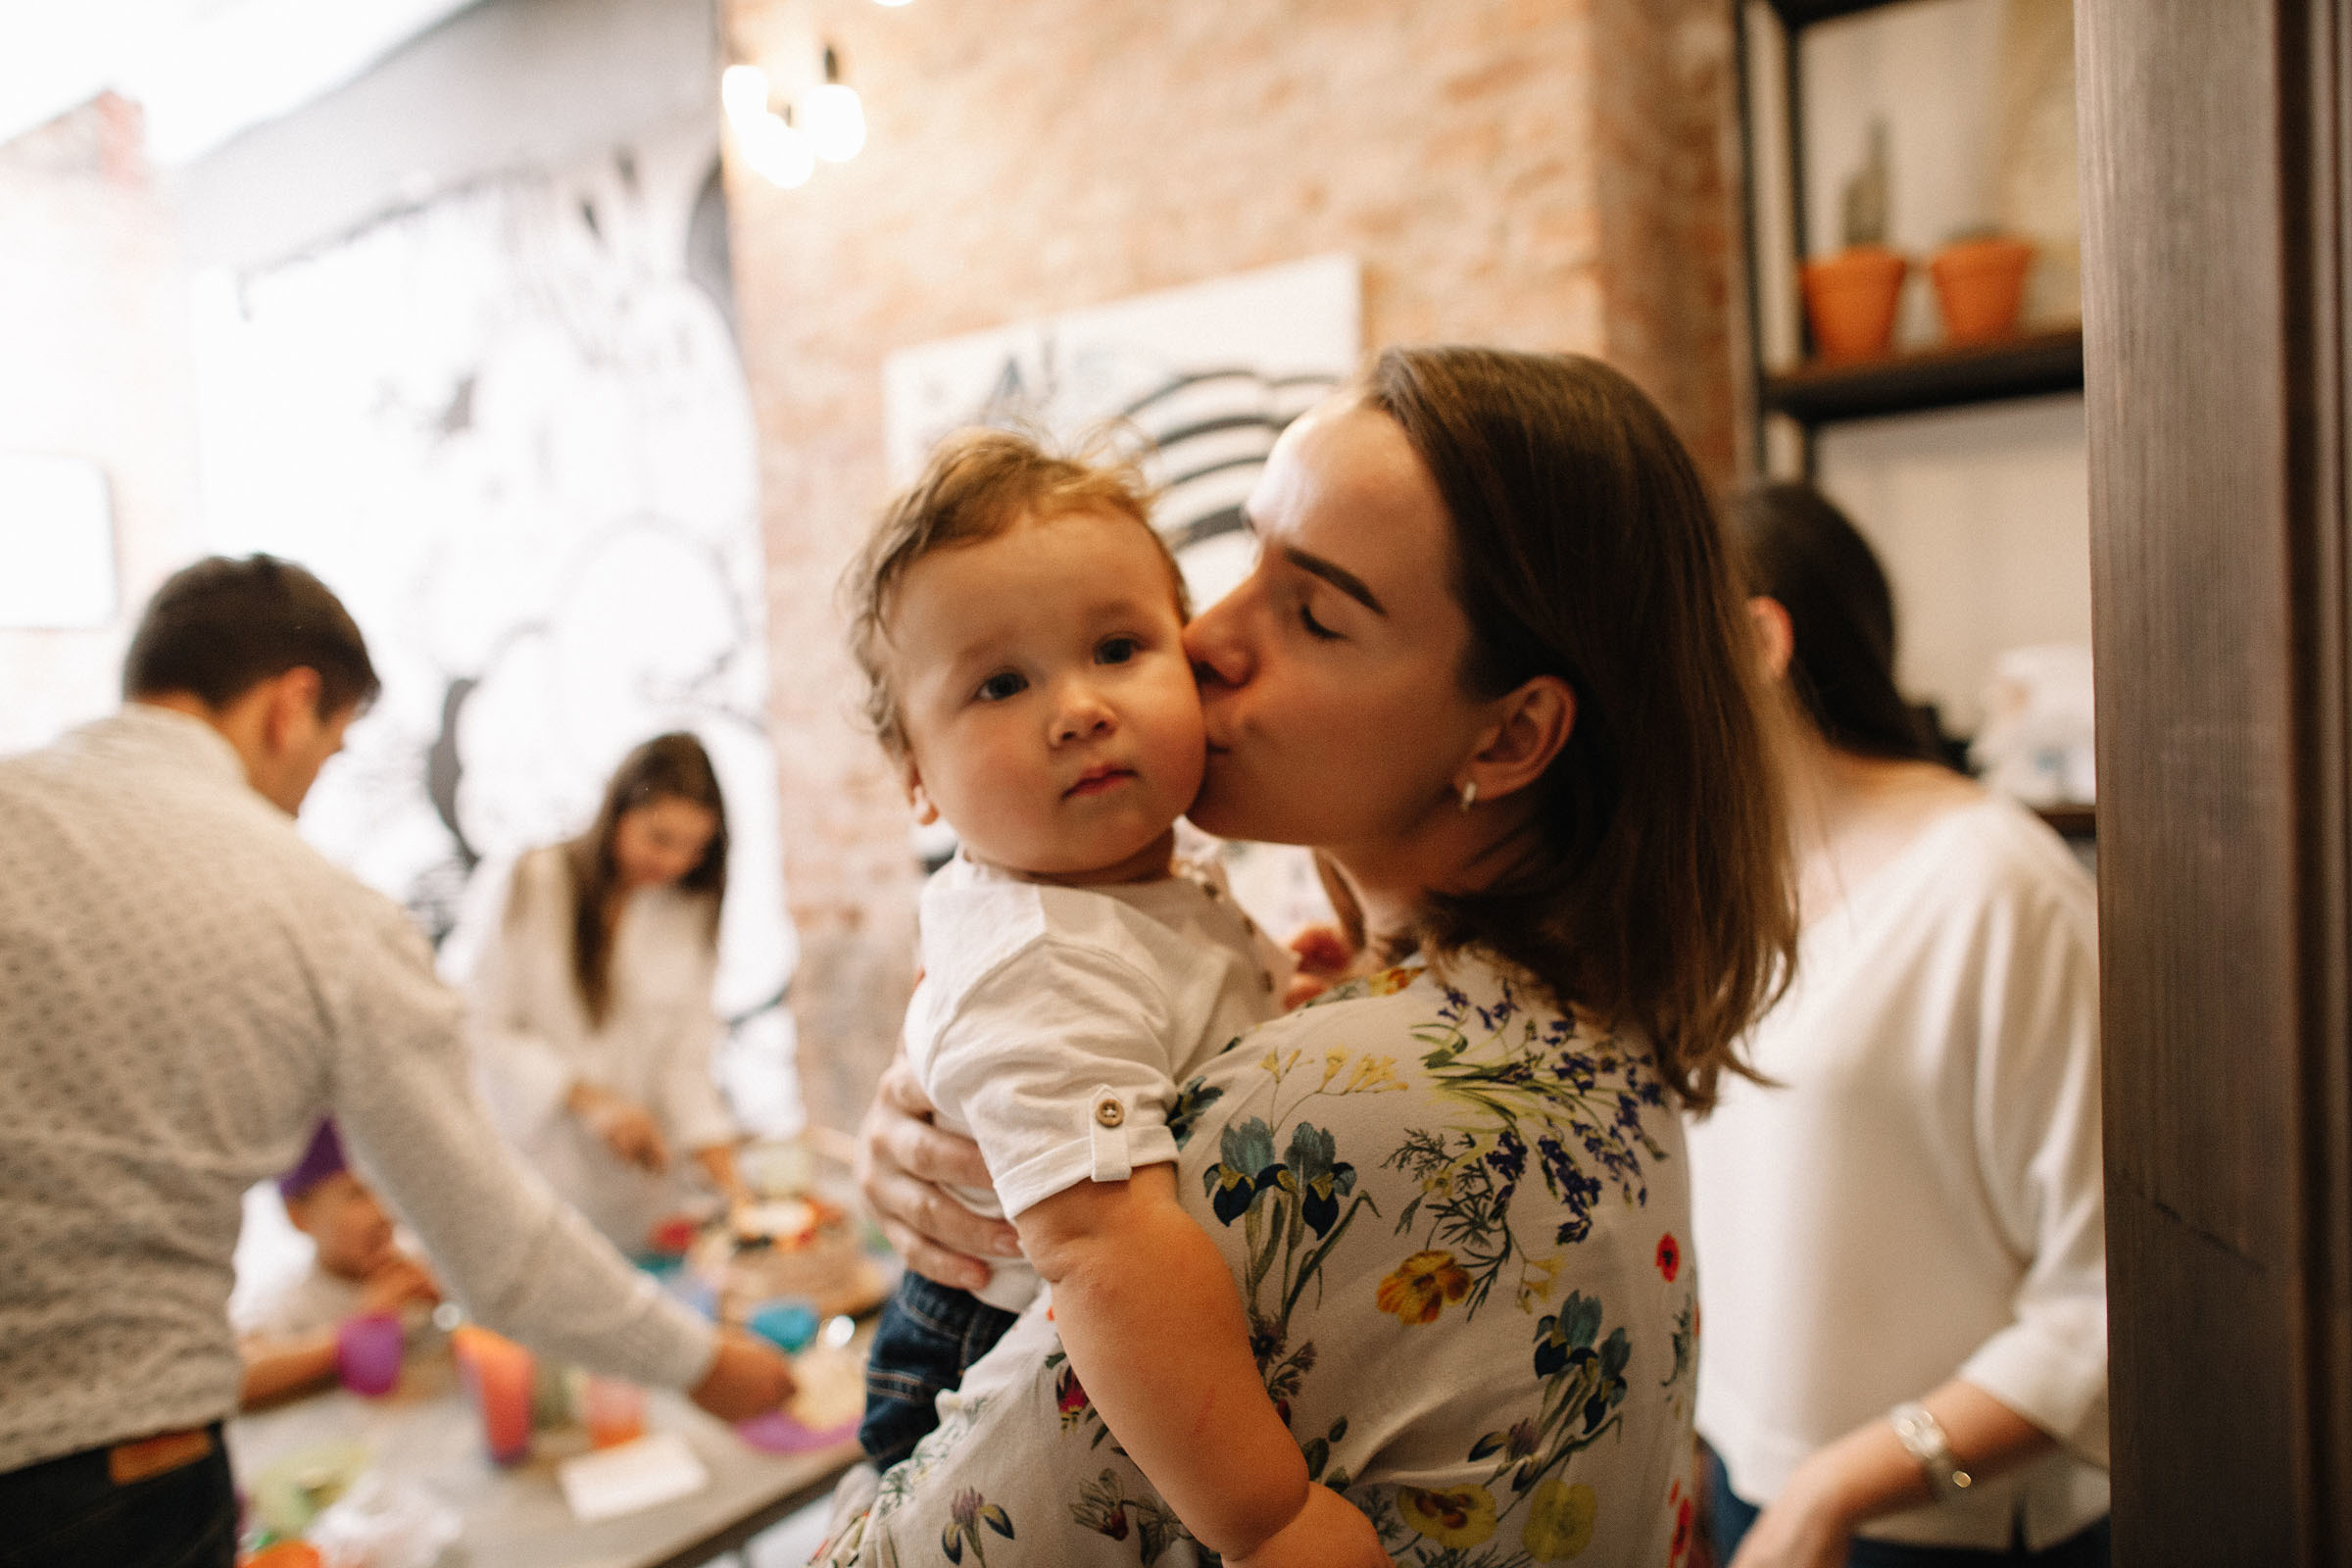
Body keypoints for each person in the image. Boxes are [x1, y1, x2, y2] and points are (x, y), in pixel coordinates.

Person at [829, 345, 1798, 1568]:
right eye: (1245, 564)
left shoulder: (1319, 1112)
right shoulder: (1590, 1019)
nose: (1206, 639)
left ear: (1509, 736)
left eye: (1316, 614)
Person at [0, 555, 793, 1568]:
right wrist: (701, 1363)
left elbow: (681, 1059)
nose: (304, 794)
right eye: (332, 752)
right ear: (292, 706)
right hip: (111, 1465)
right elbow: (498, 1250)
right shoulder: (322, 909)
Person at [839, 430, 1331, 1562]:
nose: (1078, 709)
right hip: (1015, 1361)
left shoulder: (1148, 887)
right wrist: (1274, 1522)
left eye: (1118, 648)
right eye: (1000, 684)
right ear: (916, 777)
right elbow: (1108, 1253)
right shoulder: (1038, 954)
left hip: (1145, 1362)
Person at [1690, 482, 2107, 1567]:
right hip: (1746, 1490)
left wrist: (1836, 1490)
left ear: (1759, 641)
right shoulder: (1719, 892)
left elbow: (2104, 1294)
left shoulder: (1996, 887)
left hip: (1945, 1524)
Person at [446, 732, 750, 1251]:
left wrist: (737, 1192)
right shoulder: (533, 881)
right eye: (659, 838)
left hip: (642, 1193)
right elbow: (477, 1023)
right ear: (618, 811)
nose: (674, 862)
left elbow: (686, 1062)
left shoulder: (688, 908)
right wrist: (591, 1102)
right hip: (541, 1174)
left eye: (693, 847)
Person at [233, 1121, 441, 1407]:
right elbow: (237, 1374)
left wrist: (451, 1294)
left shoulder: (421, 1266)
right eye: (358, 1194)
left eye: (387, 1187)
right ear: (298, 1217)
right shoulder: (287, 1302)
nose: (384, 1210)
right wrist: (356, 1332)